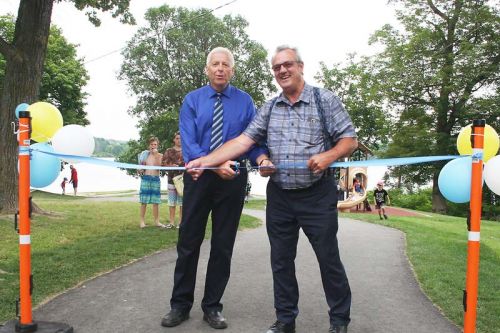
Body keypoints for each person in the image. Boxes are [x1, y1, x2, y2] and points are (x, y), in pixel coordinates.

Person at [187, 45, 358, 333]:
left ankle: (339, 321)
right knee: (280, 262)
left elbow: (349, 140)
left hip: (317, 195)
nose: (282, 71)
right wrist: (204, 161)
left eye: (288, 64)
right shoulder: (269, 108)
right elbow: (242, 143)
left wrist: (328, 156)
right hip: (280, 196)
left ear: (301, 66)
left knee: (328, 259)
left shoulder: (324, 99)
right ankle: (285, 320)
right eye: (277, 67)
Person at [161, 47, 267, 330]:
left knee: (223, 246)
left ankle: (212, 307)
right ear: (207, 69)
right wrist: (212, 164)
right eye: (215, 64)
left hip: (232, 180)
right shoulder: (192, 100)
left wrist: (262, 158)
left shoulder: (245, 102)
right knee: (188, 242)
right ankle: (180, 306)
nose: (220, 68)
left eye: (226, 65)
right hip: (199, 178)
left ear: (232, 70)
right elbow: (189, 140)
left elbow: (253, 140)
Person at [138, 136, 166, 229]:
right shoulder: (144, 154)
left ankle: (157, 221)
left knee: (155, 202)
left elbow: (158, 167)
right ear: (148, 145)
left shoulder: (160, 155)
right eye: (152, 144)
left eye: (155, 144)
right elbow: (140, 168)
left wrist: (156, 155)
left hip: (155, 179)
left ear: (158, 145)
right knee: (143, 201)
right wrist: (140, 170)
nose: (153, 146)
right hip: (145, 178)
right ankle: (142, 221)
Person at [162, 131, 184, 229]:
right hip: (171, 180)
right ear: (174, 139)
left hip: (183, 180)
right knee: (171, 202)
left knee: (182, 202)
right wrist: (171, 166)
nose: (179, 140)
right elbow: (163, 164)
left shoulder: (186, 150)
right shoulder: (169, 151)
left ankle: (181, 223)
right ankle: (171, 222)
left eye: (181, 138)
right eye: (177, 138)